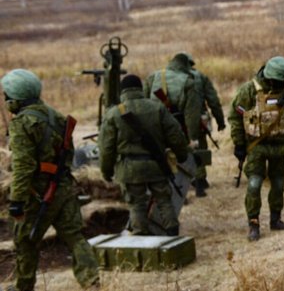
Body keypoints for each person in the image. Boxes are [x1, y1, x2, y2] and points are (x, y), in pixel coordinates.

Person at [2, 69, 100, 290]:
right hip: (63, 187)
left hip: (37, 193)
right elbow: (69, 153)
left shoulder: (21, 124)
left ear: (17, 98)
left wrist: (16, 201)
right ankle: (92, 282)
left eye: (7, 96)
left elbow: (23, 166)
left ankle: (23, 286)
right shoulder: (55, 115)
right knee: (75, 237)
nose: (6, 100)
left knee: (25, 241)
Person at [99, 74, 189, 236]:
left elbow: (106, 148)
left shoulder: (113, 114)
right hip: (157, 164)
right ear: (140, 89)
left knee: (137, 204)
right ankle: (173, 236)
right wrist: (182, 155)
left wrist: (106, 171)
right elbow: (175, 134)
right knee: (164, 201)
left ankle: (141, 239)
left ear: (123, 92)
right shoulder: (157, 107)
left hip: (130, 169)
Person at [229, 56, 284, 241]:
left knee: (278, 184)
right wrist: (239, 144)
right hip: (256, 146)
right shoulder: (249, 91)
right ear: (271, 77)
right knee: (255, 184)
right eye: (281, 80)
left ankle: (275, 219)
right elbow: (235, 117)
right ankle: (253, 223)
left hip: (280, 147)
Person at [178, 52, 226, 198]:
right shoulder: (200, 77)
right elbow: (213, 100)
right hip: (198, 119)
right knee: (200, 146)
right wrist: (220, 121)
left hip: (177, 120)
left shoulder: (172, 77)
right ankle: (200, 180)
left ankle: (185, 180)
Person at [143, 52, 201, 149]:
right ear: (186, 66)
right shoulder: (189, 82)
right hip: (177, 129)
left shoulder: (152, 77)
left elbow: (144, 104)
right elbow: (191, 114)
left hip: (153, 128)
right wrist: (193, 138)